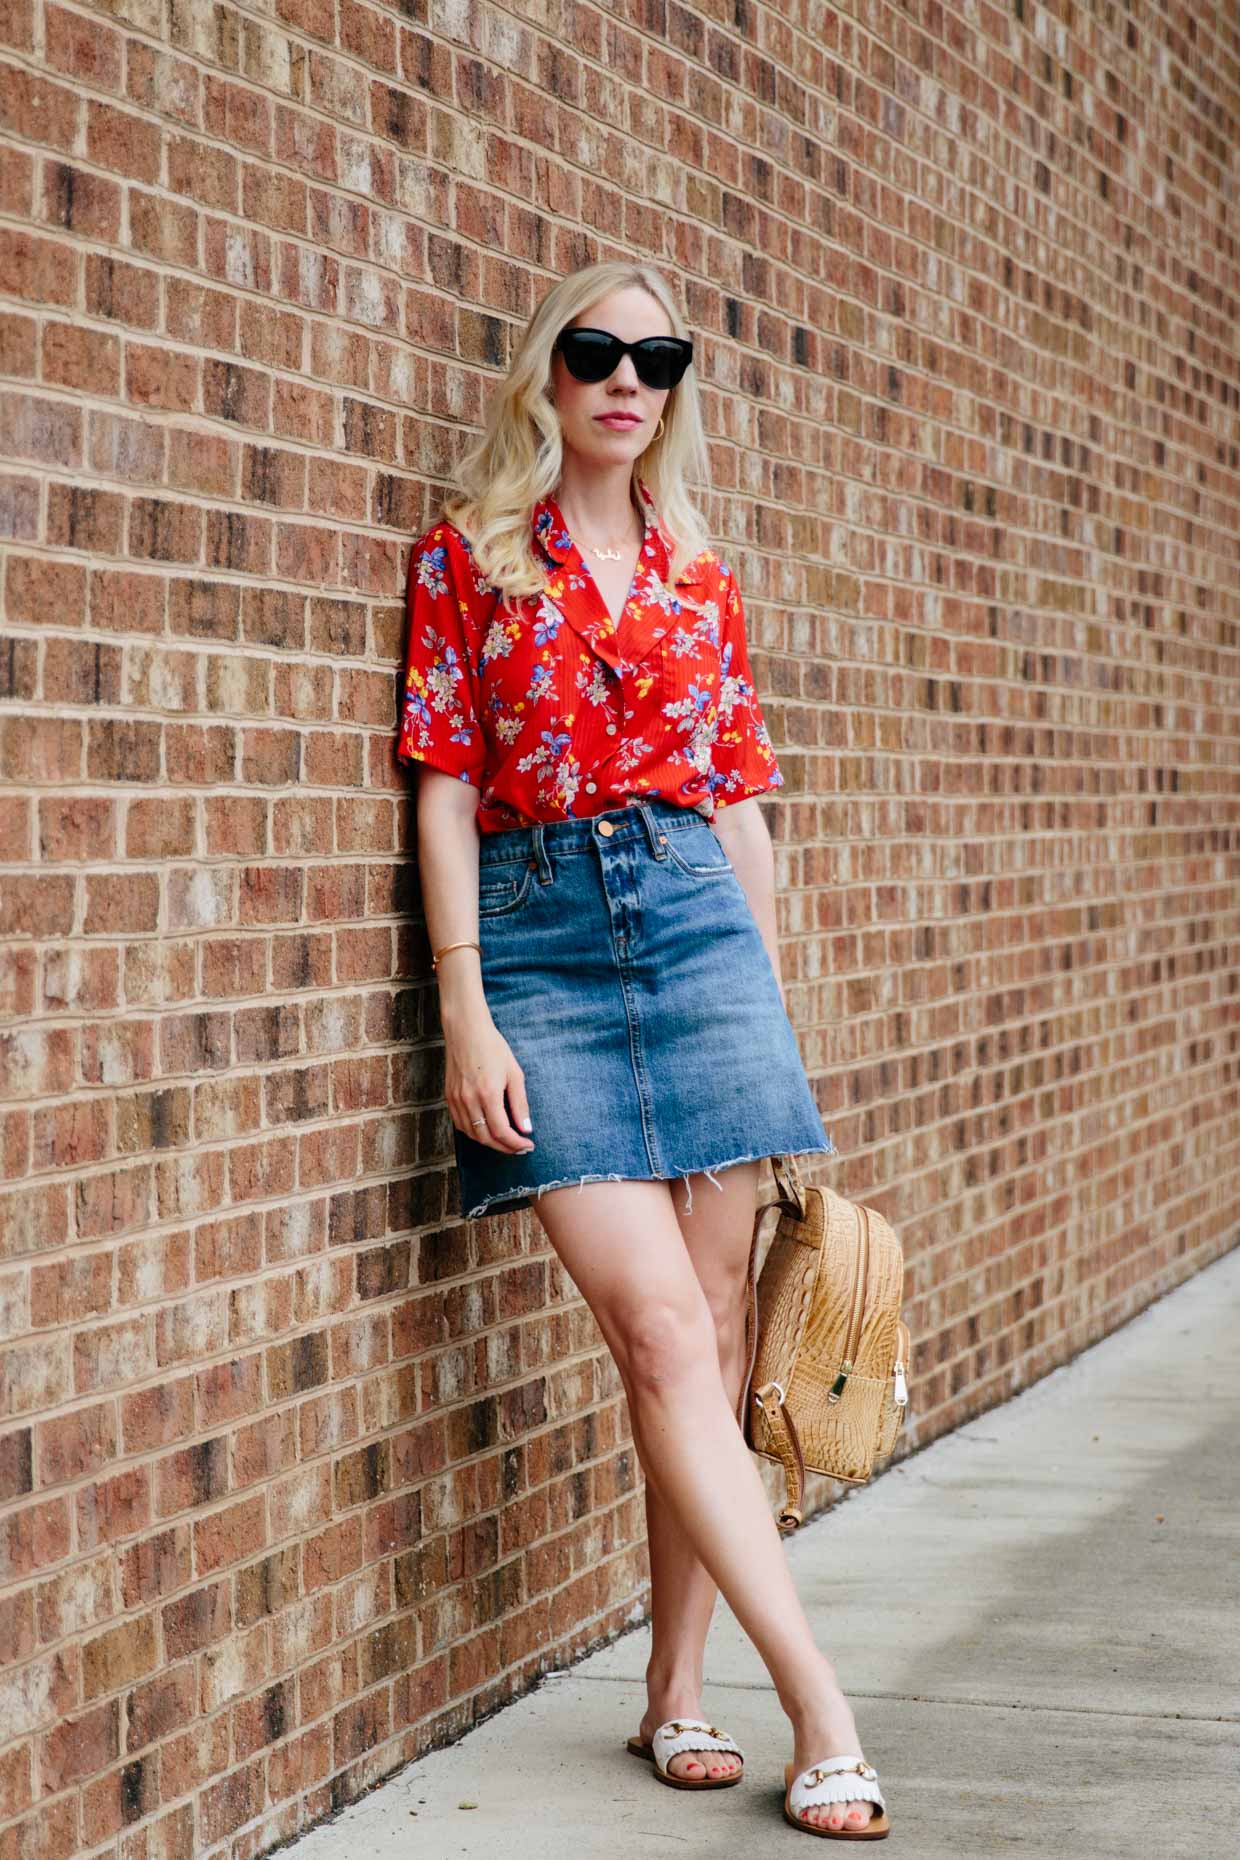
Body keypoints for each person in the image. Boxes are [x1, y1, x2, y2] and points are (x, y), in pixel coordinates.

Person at [396, 259, 890, 1840]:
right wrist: (465, 1006)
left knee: (720, 1350)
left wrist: (767, 999)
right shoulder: (467, 562)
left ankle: (678, 1696)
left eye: (655, 356)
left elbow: (740, 799)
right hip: (539, 951)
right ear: (547, 375)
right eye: (595, 352)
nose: (625, 378)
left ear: (675, 386)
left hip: (702, 941)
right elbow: (447, 788)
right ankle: (819, 1702)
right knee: (665, 1338)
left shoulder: (700, 571)